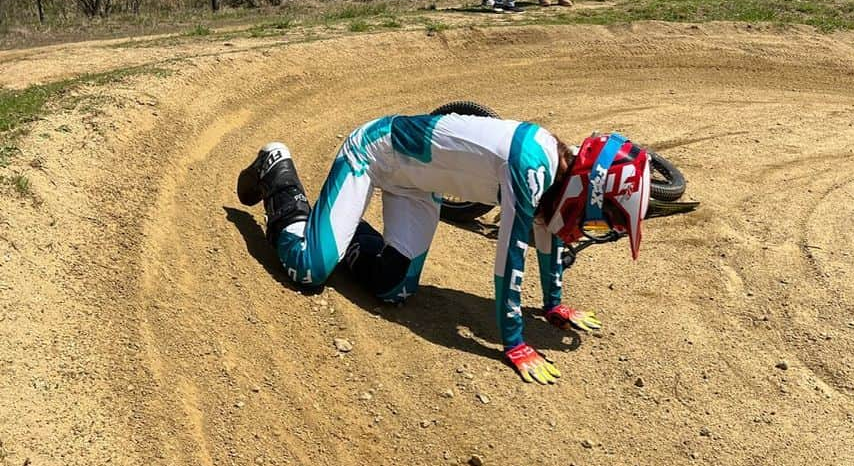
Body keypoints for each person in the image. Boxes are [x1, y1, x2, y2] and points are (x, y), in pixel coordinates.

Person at [236, 113, 651, 384]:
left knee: (392, 287)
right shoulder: (532, 166)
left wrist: (554, 304)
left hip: (419, 186)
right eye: (598, 218)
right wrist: (514, 342)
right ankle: (278, 170)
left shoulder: (555, 173)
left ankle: (337, 227)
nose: (590, 228)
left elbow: (547, 234)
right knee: (309, 269)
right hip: (373, 153)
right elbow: (510, 259)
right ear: (585, 188)